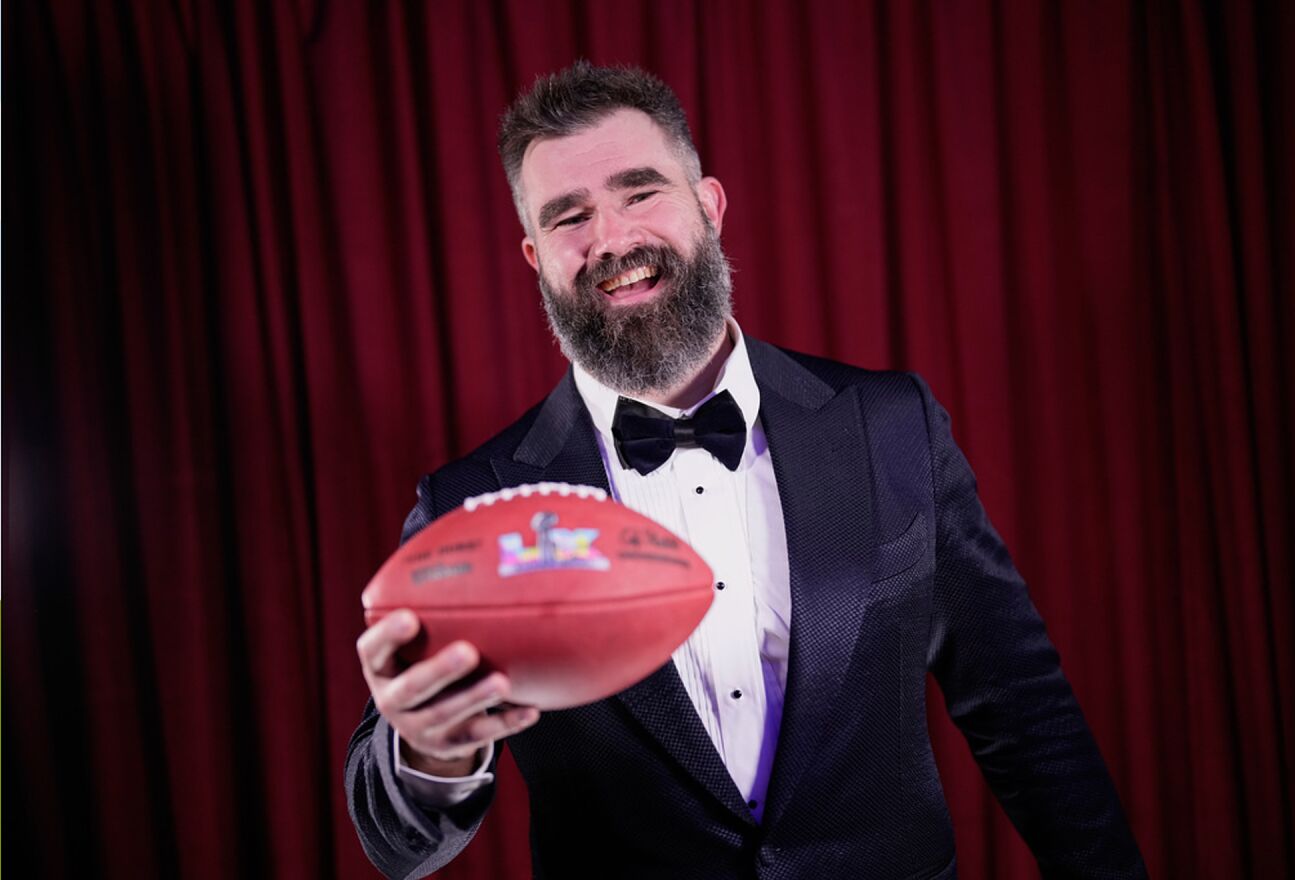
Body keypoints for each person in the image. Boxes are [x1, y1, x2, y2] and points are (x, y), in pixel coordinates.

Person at [346, 61, 1146, 879]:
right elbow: (394, 840)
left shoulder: (890, 425)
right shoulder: (475, 501)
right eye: (569, 217)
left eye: (640, 192)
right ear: (535, 257)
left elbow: (1021, 707)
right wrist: (431, 755)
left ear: (709, 206)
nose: (613, 240)